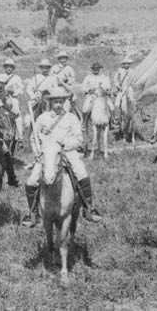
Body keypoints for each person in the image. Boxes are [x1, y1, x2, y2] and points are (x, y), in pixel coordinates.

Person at [22, 86, 103, 227]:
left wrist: (63, 143)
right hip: (47, 155)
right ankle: (33, 213)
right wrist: (37, 152)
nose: (58, 105)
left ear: (65, 102)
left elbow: (79, 139)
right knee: (31, 181)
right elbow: (34, 139)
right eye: (55, 102)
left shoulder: (71, 118)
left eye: (61, 101)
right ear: (50, 103)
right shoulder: (42, 118)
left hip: (67, 153)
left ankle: (88, 209)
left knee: (82, 174)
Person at [81, 62, 114, 128]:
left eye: (98, 69)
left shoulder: (103, 77)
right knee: (85, 109)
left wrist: (107, 90)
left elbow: (108, 86)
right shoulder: (88, 77)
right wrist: (89, 90)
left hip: (102, 96)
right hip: (92, 95)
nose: (96, 70)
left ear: (99, 69)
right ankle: (84, 122)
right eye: (95, 69)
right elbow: (83, 87)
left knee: (112, 107)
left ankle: (111, 122)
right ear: (92, 69)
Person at [0, 73, 24, 150]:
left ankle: (20, 137)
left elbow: (11, 106)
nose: (0, 85)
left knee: (17, 116)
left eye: (3, 83)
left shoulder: (7, 93)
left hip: (6, 110)